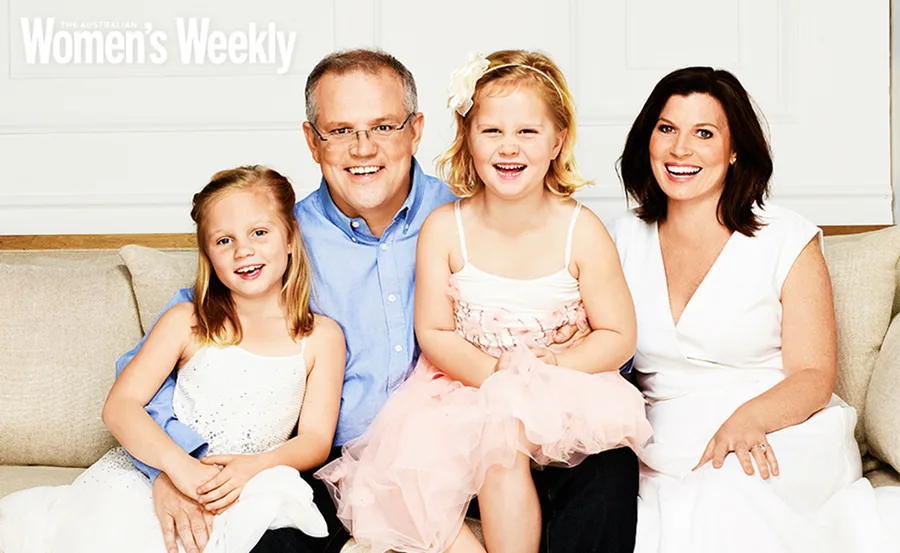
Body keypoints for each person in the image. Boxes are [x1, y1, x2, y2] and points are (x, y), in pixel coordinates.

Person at [114, 48, 636, 553]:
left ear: (415, 129)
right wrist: (174, 466)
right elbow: (183, 346)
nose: (363, 149)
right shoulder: (279, 242)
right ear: (312, 142)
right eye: (341, 131)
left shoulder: (471, 219)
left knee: (607, 471)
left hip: (489, 434)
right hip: (339, 459)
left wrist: (567, 343)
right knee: (272, 542)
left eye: (383, 127)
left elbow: (593, 323)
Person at [316, 50, 652, 553]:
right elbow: (434, 331)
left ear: (558, 139)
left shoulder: (580, 231)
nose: (508, 146)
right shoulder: (445, 227)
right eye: (491, 131)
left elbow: (619, 334)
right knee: (491, 445)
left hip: (562, 387)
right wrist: (499, 379)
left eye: (528, 132)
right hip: (469, 386)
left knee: (599, 467)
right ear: (467, 138)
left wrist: (554, 363)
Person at [613, 66, 900, 553]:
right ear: (649, 140)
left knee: (724, 499)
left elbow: (813, 373)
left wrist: (746, 421)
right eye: (667, 129)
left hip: (780, 428)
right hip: (663, 440)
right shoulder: (619, 236)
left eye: (704, 133)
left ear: (734, 150)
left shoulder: (786, 236)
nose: (681, 149)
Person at [0, 166, 346, 553]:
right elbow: (120, 406)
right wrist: (177, 468)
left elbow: (315, 439)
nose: (243, 250)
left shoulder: (321, 337)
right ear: (207, 254)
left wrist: (255, 467)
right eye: (224, 240)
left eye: (259, 233)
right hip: (156, 477)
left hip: (252, 482)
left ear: (290, 238)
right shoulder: (188, 322)